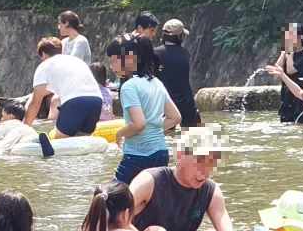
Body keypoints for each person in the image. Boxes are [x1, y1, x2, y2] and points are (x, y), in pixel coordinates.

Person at [129, 129, 235, 231]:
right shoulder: (149, 180)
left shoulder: (210, 190)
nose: (205, 172)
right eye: (200, 163)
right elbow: (116, 220)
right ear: (179, 156)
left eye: (212, 164)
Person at [109, 35, 179, 185]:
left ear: (130, 59)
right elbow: (175, 117)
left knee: (112, 196)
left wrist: (119, 133)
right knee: (150, 200)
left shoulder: (129, 86)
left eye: (114, 59)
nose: (111, 65)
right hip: (161, 153)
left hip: (137, 156)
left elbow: (139, 124)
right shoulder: (156, 82)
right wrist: (153, 131)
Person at [24, 37, 105, 149]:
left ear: (43, 54)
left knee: (59, 145)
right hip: (96, 100)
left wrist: (24, 129)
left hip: (75, 101)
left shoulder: (44, 66)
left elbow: (35, 103)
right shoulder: (75, 61)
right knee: (83, 146)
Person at [154, 19, 201, 128]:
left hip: (164, 104)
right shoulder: (185, 54)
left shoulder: (154, 54)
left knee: (166, 135)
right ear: (180, 36)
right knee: (195, 136)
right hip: (186, 103)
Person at [273, 23, 303, 124]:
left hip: (301, 97)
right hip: (287, 96)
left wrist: (289, 53)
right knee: (286, 125)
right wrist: (284, 52)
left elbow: (290, 70)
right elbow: (277, 70)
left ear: (300, 37)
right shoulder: (289, 54)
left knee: (301, 125)